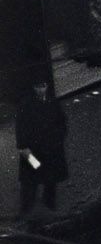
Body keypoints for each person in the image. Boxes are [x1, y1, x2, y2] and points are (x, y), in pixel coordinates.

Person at [15, 77, 68, 216]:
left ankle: (49, 209)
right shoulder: (26, 105)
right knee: (30, 182)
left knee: (50, 181)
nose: (40, 89)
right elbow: (20, 128)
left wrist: (58, 139)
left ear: (47, 87)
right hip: (33, 151)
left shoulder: (53, 103)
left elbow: (62, 123)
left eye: (43, 86)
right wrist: (23, 147)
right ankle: (25, 212)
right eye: (37, 87)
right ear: (33, 88)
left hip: (51, 150)